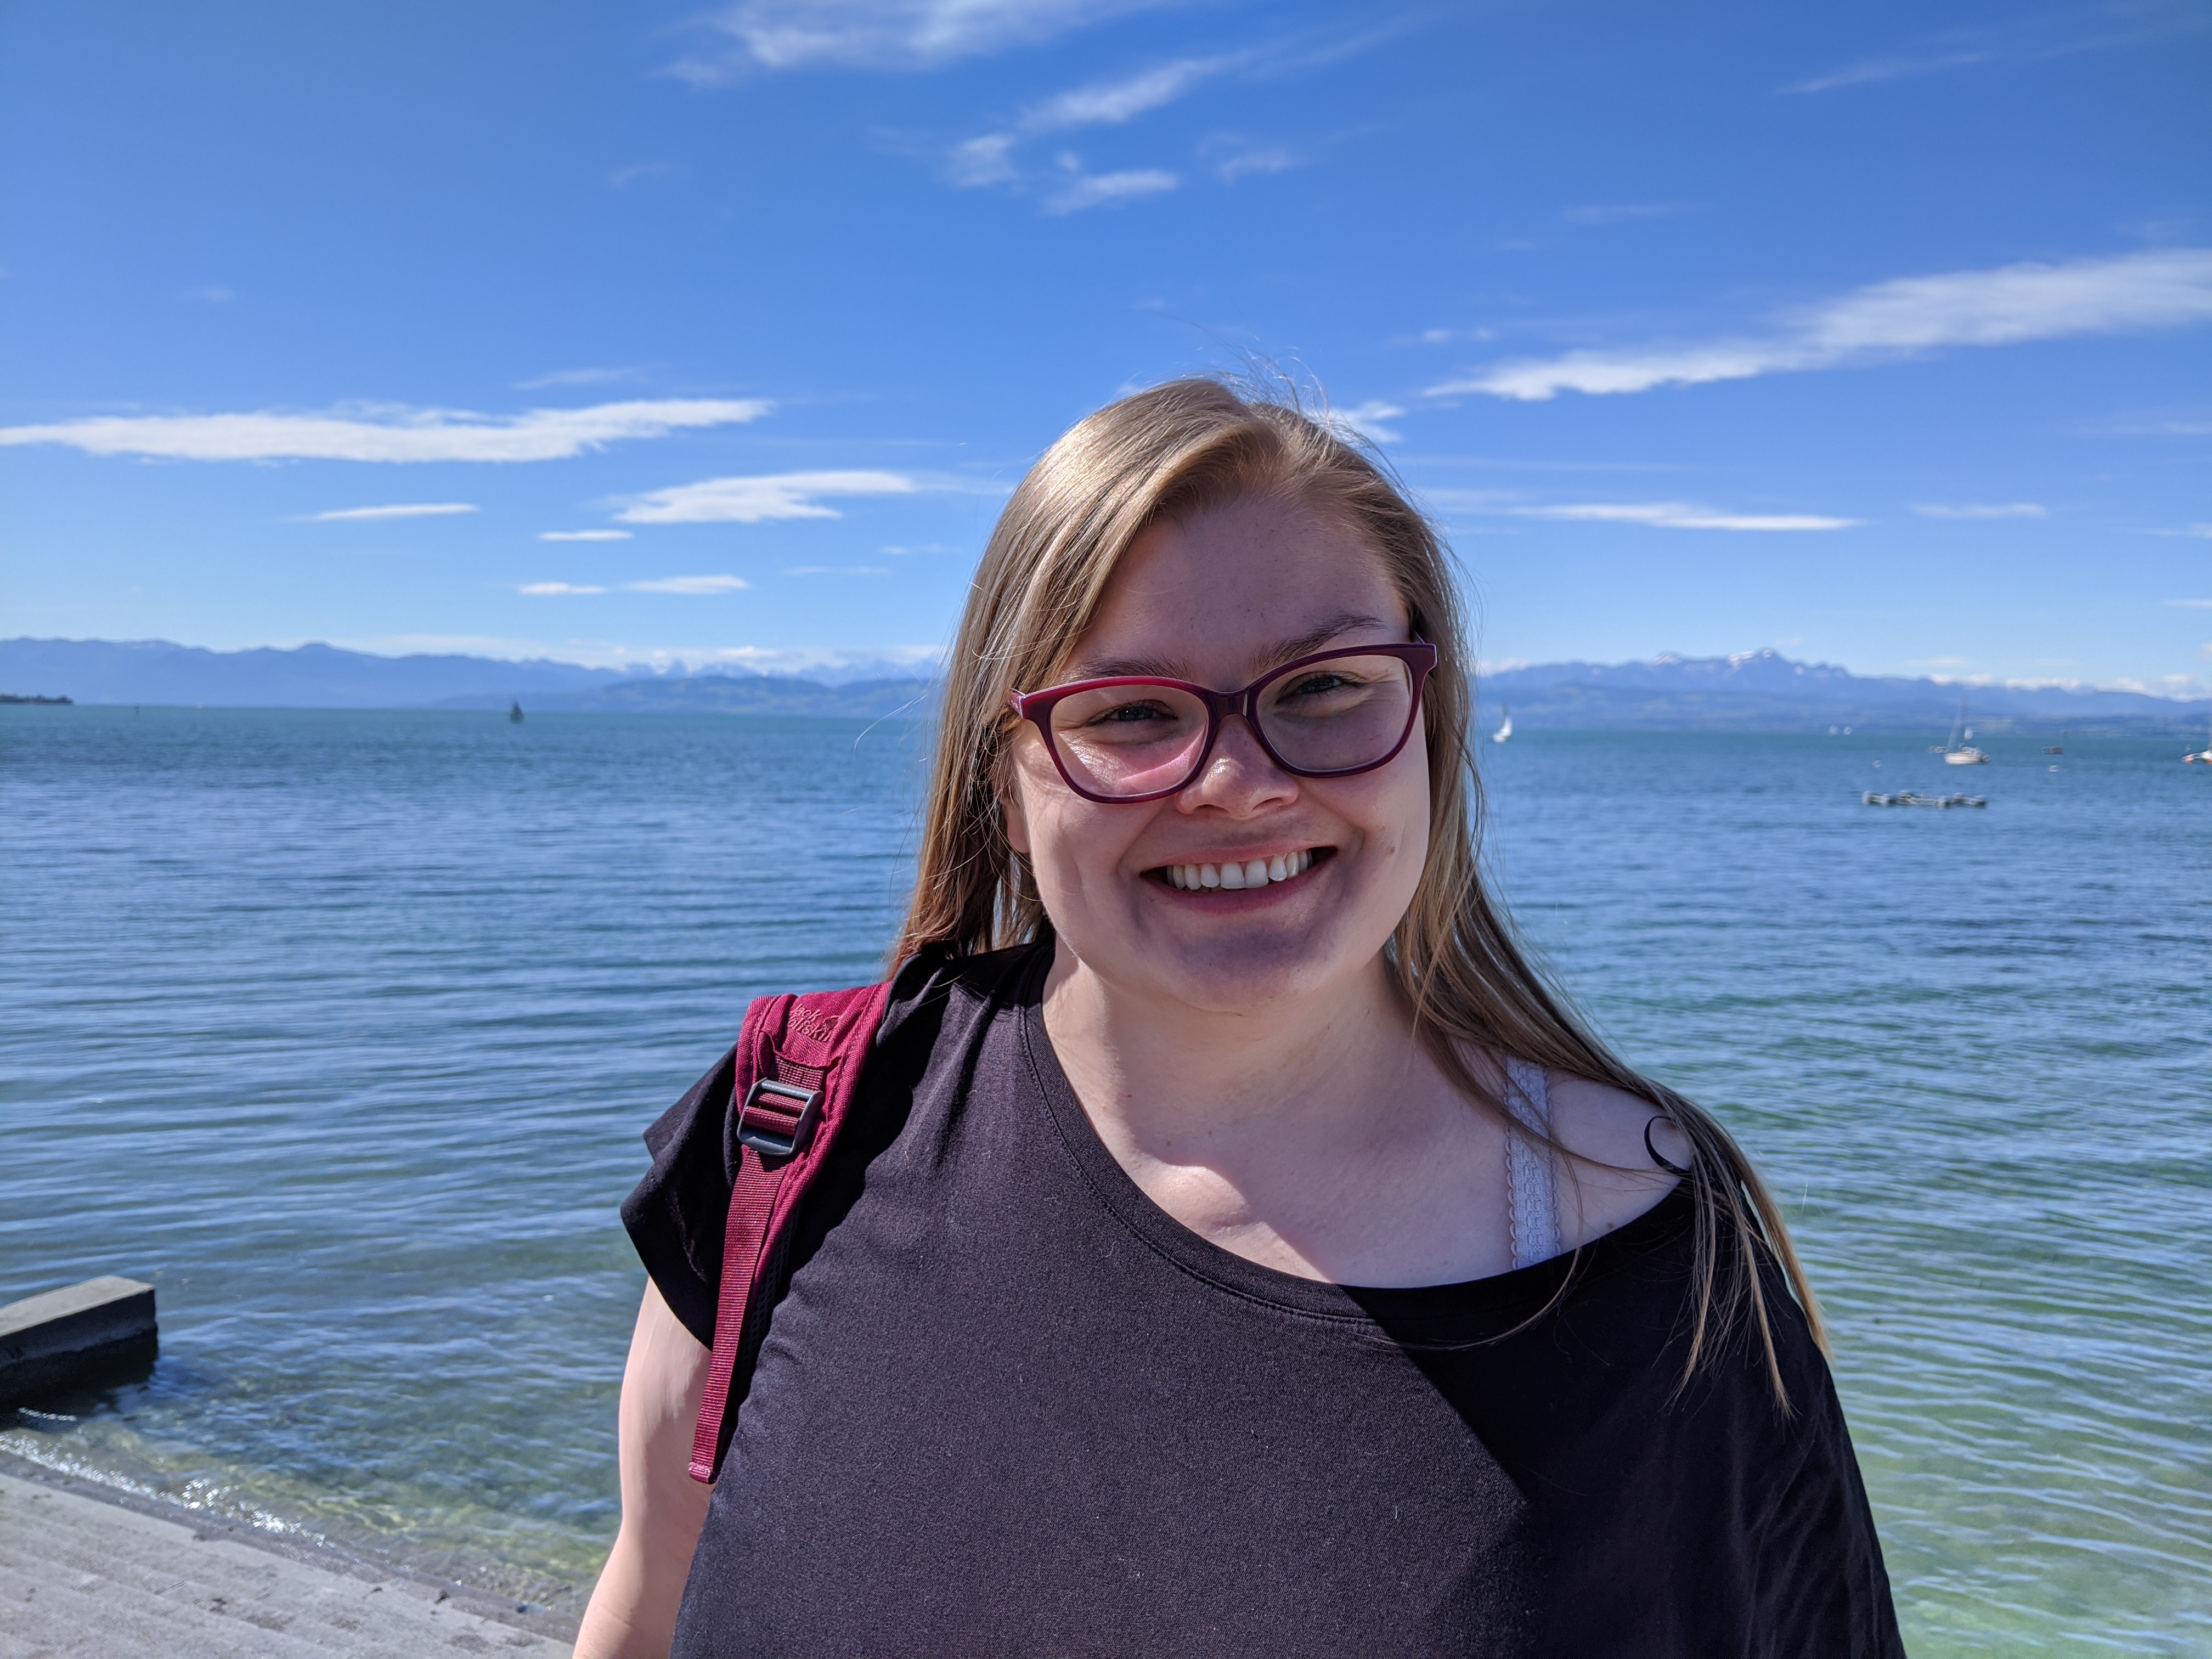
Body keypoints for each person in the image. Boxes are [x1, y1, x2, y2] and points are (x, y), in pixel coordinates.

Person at [575, 379, 1904, 1658]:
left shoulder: (1655, 1250)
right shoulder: (799, 1128)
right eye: (1130, 711)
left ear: (1431, 724)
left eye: (1324, 688)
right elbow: (642, 1611)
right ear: (1007, 781)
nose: (1235, 780)